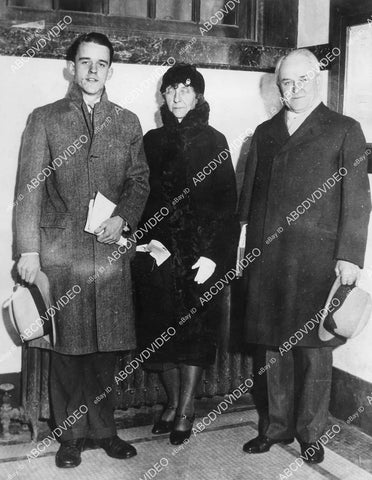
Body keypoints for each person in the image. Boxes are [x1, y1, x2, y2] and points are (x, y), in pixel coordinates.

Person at [15, 32, 149, 468]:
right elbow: (28, 189)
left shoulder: (128, 122)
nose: (93, 71)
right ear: (71, 66)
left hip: (109, 253)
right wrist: (28, 250)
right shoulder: (45, 118)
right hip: (60, 251)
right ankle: (70, 437)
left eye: (102, 63)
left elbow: (139, 182)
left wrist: (123, 218)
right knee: (68, 349)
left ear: (112, 69)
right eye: (85, 62)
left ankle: (105, 431)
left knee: (107, 348)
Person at [238, 49, 370, 463]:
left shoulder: (345, 129)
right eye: (286, 84)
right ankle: (275, 427)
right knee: (271, 346)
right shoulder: (264, 132)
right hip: (269, 256)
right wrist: (245, 247)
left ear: (318, 80)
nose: (293, 91)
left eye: (302, 82)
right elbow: (250, 199)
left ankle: (311, 433)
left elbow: (357, 199)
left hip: (318, 260)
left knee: (314, 349)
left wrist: (350, 256)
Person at [133, 63, 238, 445]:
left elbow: (228, 206)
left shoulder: (214, 141)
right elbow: (140, 195)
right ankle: (173, 401)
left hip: (198, 257)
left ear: (198, 96)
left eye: (186, 89)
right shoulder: (152, 140)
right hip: (158, 253)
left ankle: (187, 409)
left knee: (194, 333)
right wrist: (142, 241)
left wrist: (213, 255)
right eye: (171, 89)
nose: (178, 95)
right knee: (158, 331)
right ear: (163, 95)